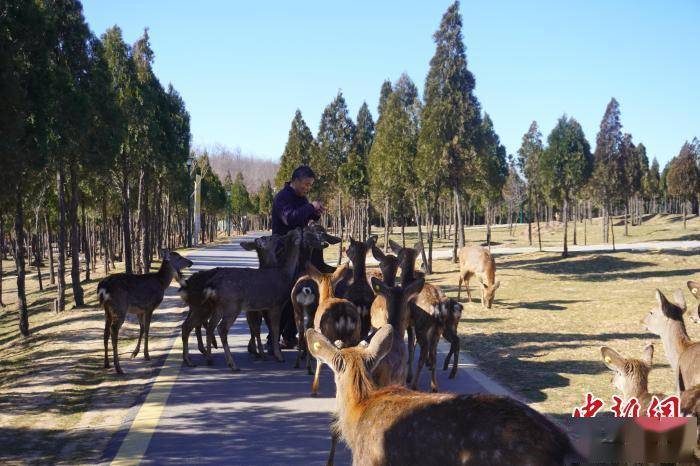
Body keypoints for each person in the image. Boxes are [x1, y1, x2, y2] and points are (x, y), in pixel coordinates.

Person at [268, 165, 324, 349]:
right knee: (283, 297)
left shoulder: (302, 199)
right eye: (306, 184)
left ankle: (290, 336)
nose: (307, 188)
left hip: (299, 254)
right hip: (283, 254)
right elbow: (289, 219)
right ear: (296, 180)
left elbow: (302, 219)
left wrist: (314, 215)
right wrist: (309, 207)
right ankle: (273, 339)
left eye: (310, 186)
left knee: (300, 294)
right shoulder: (282, 198)